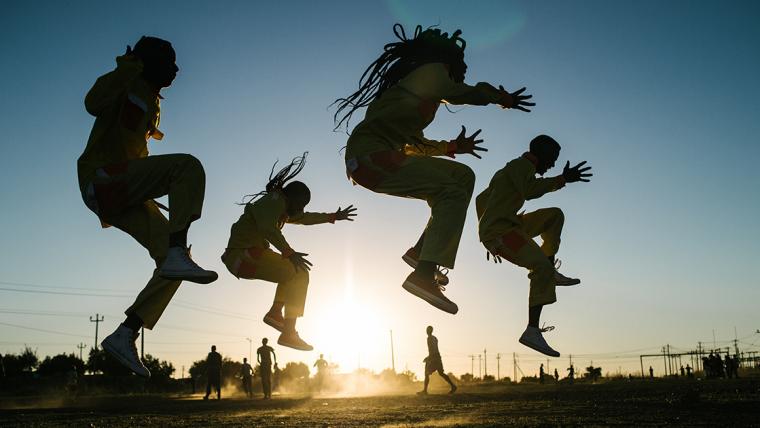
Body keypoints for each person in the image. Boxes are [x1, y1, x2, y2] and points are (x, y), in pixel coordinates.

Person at [334, 24, 534, 314]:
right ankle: (423, 276)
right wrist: (501, 98)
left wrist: (452, 148)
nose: (464, 71)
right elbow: (462, 92)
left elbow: (414, 143)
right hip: (371, 159)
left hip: (374, 161)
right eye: (463, 65)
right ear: (451, 61)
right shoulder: (433, 72)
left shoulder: (414, 94)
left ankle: (420, 254)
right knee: (453, 190)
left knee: (461, 177)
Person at [80, 36, 218, 378]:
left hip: (122, 190)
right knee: (187, 166)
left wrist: (150, 188)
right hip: (102, 179)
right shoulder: (128, 79)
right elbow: (92, 103)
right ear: (147, 61)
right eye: (169, 61)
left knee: (174, 263)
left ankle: (126, 333)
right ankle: (175, 251)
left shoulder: (151, 99)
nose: (177, 68)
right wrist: (127, 67)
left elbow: (137, 155)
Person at [222, 153, 356, 351]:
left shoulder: (279, 208)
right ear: (291, 197)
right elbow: (268, 228)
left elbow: (305, 218)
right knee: (299, 272)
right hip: (242, 255)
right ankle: (288, 332)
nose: (301, 208)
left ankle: (276, 314)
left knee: (292, 274)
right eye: (301, 203)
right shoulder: (275, 200)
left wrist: (332, 216)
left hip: (243, 260)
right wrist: (289, 252)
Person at [477, 135, 592, 357]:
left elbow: (481, 199)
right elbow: (529, 191)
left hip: (511, 224)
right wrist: (489, 237)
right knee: (541, 268)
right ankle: (532, 330)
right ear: (543, 155)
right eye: (553, 158)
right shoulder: (521, 166)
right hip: (503, 232)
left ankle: (550, 267)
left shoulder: (512, 170)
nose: (554, 164)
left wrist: (484, 230)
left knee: (554, 215)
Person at [418, 326, 456, 394]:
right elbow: (435, 348)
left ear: (430, 331)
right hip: (438, 357)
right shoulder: (435, 338)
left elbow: (432, 349)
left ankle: (425, 390)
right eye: (426, 330)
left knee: (426, 373)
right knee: (441, 373)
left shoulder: (429, 338)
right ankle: (453, 386)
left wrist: (429, 358)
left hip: (434, 357)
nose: (426, 331)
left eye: (427, 330)